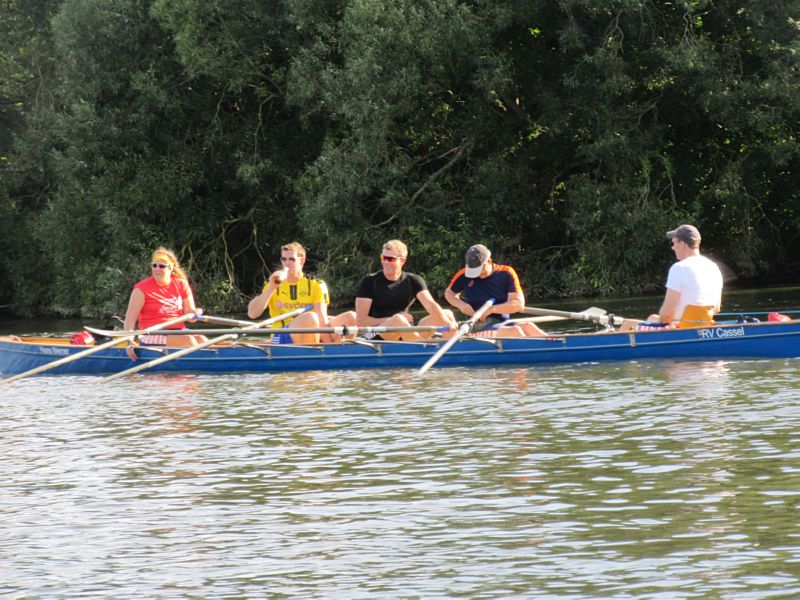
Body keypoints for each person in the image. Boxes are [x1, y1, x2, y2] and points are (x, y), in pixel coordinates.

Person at [247, 241, 356, 344]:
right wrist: (271, 289)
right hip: (281, 335)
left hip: (313, 331)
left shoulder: (316, 284)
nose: (287, 264)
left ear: (302, 261)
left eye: (291, 259)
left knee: (352, 317)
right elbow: (252, 313)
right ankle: (321, 354)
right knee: (310, 317)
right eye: (284, 259)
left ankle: (335, 353)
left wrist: (329, 345)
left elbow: (322, 321)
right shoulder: (272, 284)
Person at [622, 224, 723, 331]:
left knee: (628, 324)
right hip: (703, 326)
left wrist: (668, 319)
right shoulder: (713, 267)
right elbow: (716, 308)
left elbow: (666, 316)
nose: (672, 247)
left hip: (679, 329)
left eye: (674, 243)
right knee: (652, 317)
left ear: (683, 244)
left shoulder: (679, 268)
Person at [354, 239, 457, 341]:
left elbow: (431, 305)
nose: (385, 262)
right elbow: (361, 321)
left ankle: (456, 351)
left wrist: (447, 323)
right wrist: (392, 319)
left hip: (406, 329)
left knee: (446, 314)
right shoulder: (370, 281)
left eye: (390, 259)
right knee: (398, 320)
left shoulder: (414, 280)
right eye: (383, 257)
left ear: (402, 260)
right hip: (374, 333)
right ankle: (419, 348)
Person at [444, 244, 546, 338]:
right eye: (474, 271)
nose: (477, 274)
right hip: (476, 327)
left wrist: (492, 309)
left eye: (480, 270)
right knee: (515, 331)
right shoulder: (463, 275)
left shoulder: (506, 273)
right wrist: (461, 304)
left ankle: (554, 345)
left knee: (529, 326)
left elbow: (519, 304)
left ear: (489, 261)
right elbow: (449, 293)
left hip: (501, 323)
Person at [124, 247, 206, 360]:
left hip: (179, 331)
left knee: (202, 339)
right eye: (154, 265)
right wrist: (129, 341)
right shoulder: (141, 289)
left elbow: (191, 318)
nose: (157, 269)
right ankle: (204, 364)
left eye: (161, 266)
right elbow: (130, 319)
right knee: (189, 340)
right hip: (150, 334)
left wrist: (196, 312)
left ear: (171, 268)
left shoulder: (181, 284)